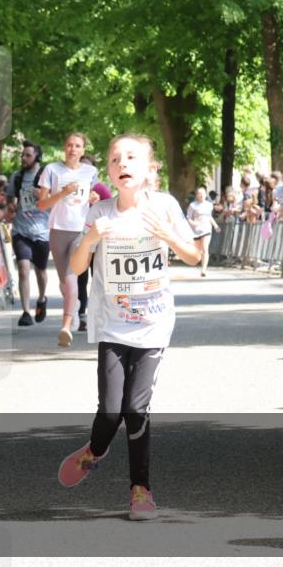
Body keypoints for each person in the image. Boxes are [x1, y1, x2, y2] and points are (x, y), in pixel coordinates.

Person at [60, 133, 201, 521]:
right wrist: (90, 237)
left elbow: (193, 255)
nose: (123, 164)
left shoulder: (165, 206)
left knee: (136, 410)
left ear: (149, 168)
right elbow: (75, 268)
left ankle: (141, 491)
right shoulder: (100, 213)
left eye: (132, 158)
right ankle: (95, 449)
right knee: (110, 412)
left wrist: (168, 235)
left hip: (154, 324)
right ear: (109, 170)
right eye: (116, 159)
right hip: (113, 326)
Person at [36, 132, 98, 347]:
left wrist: (93, 198)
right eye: (70, 145)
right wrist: (62, 193)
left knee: (71, 280)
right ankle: (74, 303)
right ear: (65, 147)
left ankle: (65, 326)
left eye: (78, 146)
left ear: (83, 150)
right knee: (65, 283)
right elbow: (42, 205)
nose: (73, 149)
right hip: (58, 230)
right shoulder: (51, 170)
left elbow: (91, 197)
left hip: (81, 230)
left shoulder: (90, 172)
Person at [8, 141, 50, 326]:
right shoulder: (16, 177)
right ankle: (25, 312)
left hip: (41, 231)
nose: (24, 159)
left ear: (37, 157)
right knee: (23, 270)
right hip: (21, 230)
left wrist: (42, 195)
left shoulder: (47, 177)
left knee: (40, 271)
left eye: (28, 155)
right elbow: (10, 199)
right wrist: (12, 205)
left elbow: (58, 200)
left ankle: (41, 298)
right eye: (22, 155)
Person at [78, 180, 112, 331]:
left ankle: (102, 313)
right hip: (78, 239)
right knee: (81, 278)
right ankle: (81, 313)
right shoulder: (72, 190)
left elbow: (111, 211)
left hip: (97, 243)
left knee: (97, 278)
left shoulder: (99, 188)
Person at [187, 186, 219, 277]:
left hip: (206, 229)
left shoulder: (209, 205)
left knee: (205, 249)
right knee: (198, 251)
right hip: (196, 230)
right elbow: (188, 217)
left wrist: (215, 225)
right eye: (199, 193)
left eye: (203, 193)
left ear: (205, 194)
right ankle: (199, 261)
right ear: (196, 195)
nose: (201, 195)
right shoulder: (193, 205)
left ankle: (204, 269)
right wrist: (193, 223)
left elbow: (209, 217)